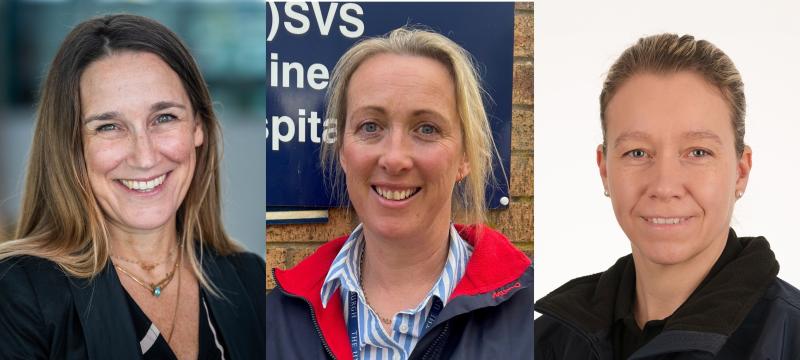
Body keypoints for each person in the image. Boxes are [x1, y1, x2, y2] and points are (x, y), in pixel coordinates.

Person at [0, 14, 265, 359]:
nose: (144, 156)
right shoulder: (19, 293)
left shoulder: (250, 280)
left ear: (198, 127)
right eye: (109, 126)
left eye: (164, 117)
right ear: (70, 146)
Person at [266, 27, 533, 359]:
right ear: (343, 152)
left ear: (465, 157)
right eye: (370, 126)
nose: (394, 158)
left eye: (426, 129)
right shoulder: (275, 319)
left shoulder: (532, 313)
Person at [534, 33, 800, 359]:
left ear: (741, 171)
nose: (664, 185)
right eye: (637, 152)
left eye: (698, 152)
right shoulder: (544, 342)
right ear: (605, 170)